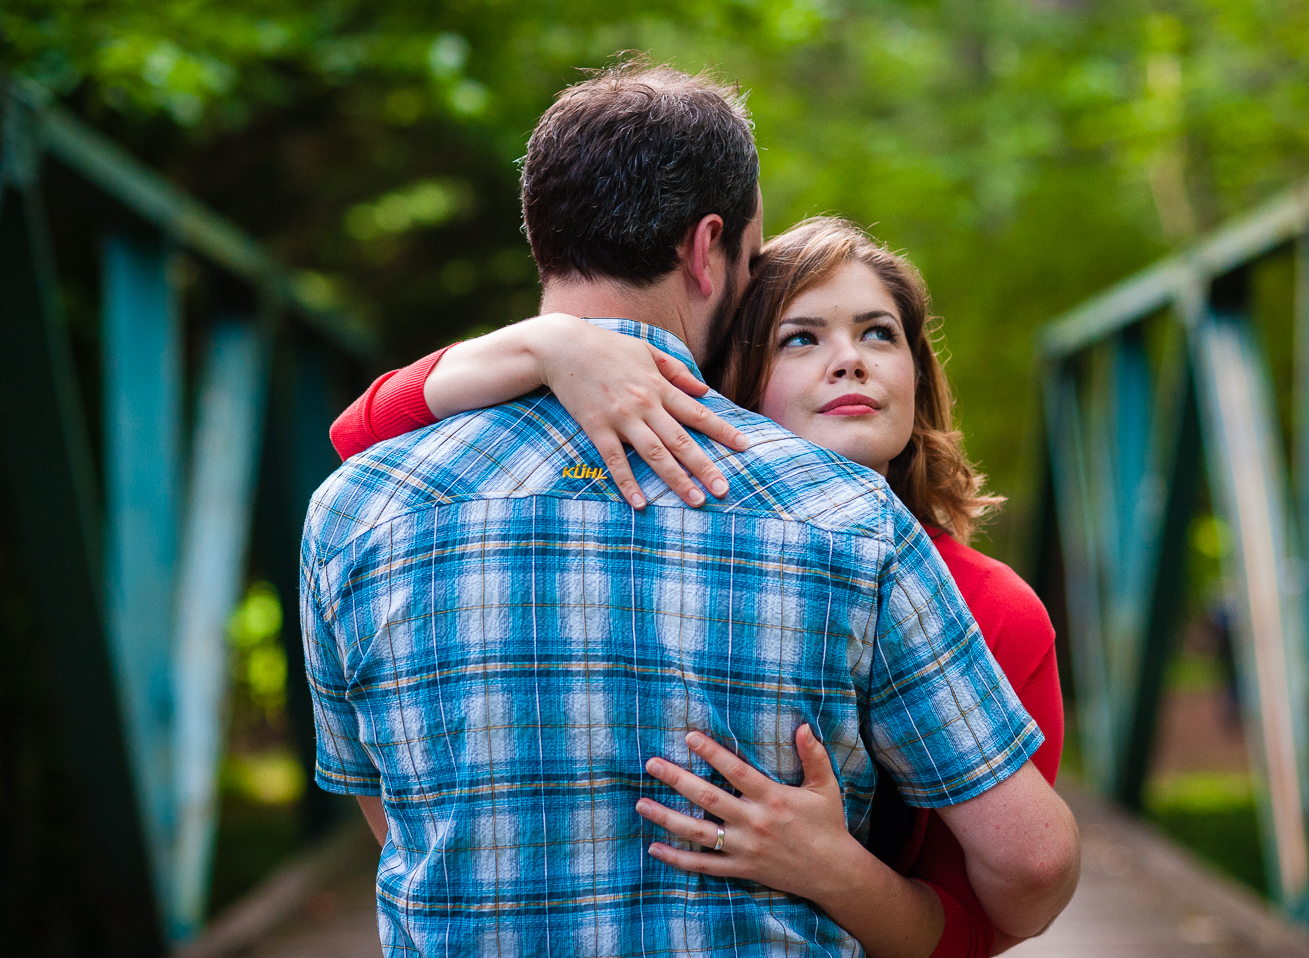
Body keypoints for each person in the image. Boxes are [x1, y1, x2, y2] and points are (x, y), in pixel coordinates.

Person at [303, 60, 1078, 957]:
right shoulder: (844, 516)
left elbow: (397, 818)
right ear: (708, 249)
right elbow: (1029, 863)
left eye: (878, 334)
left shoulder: (355, 509)